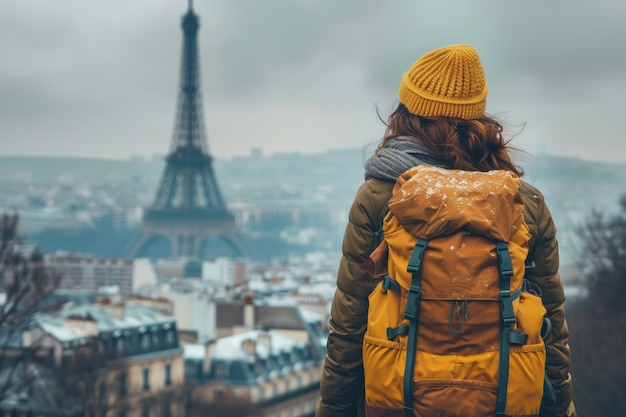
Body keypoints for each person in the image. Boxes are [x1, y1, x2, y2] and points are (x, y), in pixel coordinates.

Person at [315, 44, 576, 417]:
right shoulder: (523, 202)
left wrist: (334, 410)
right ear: (478, 116)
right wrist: (561, 408)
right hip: (503, 397)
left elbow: (348, 326)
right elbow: (552, 330)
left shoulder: (380, 196)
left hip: (398, 398)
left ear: (406, 113)